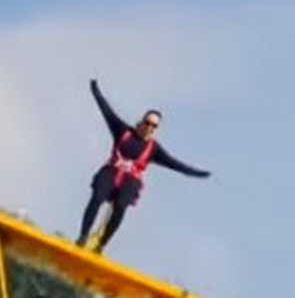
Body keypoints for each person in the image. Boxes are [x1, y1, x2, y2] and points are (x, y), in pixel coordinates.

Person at [75, 78, 209, 252]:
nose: (149, 127)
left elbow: (175, 164)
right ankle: (83, 236)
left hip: (130, 180)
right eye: (147, 123)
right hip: (112, 171)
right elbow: (106, 110)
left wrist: (197, 173)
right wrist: (95, 89)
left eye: (154, 126)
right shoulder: (123, 131)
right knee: (97, 196)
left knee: (121, 206)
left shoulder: (154, 149)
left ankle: (101, 245)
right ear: (142, 121)